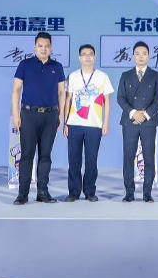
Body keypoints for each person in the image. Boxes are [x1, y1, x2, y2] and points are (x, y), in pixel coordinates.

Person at [11, 32, 66, 205]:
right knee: (27, 156)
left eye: (47, 46)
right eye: (40, 46)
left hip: (50, 116)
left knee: (45, 156)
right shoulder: (25, 65)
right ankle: (23, 194)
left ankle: (42, 192)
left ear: (51, 48)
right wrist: (16, 114)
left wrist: (60, 116)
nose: (43, 49)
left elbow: (61, 92)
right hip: (29, 115)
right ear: (34, 47)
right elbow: (16, 90)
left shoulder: (57, 67)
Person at [62, 44, 114, 202]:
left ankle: (90, 191)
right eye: (84, 54)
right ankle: (74, 192)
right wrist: (65, 123)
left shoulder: (102, 77)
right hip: (74, 124)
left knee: (91, 160)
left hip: (94, 125)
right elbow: (68, 100)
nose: (87, 57)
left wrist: (106, 122)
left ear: (94, 57)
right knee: (74, 160)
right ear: (79, 58)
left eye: (90, 54)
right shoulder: (73, 76)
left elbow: (106, 101)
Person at [117, 41, 158, 203]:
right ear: (133, 56)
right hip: (129, 121)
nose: (141, 56)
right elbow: (120, 98)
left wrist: (145, 114)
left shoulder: (156, 75)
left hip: (148, 121)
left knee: (149, 158)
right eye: (137, 53)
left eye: (144, 53)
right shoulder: (125, 75)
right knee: (128, 157)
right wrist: (133, 113)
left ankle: (147, 193)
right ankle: (129, 193)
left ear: (149, 56)